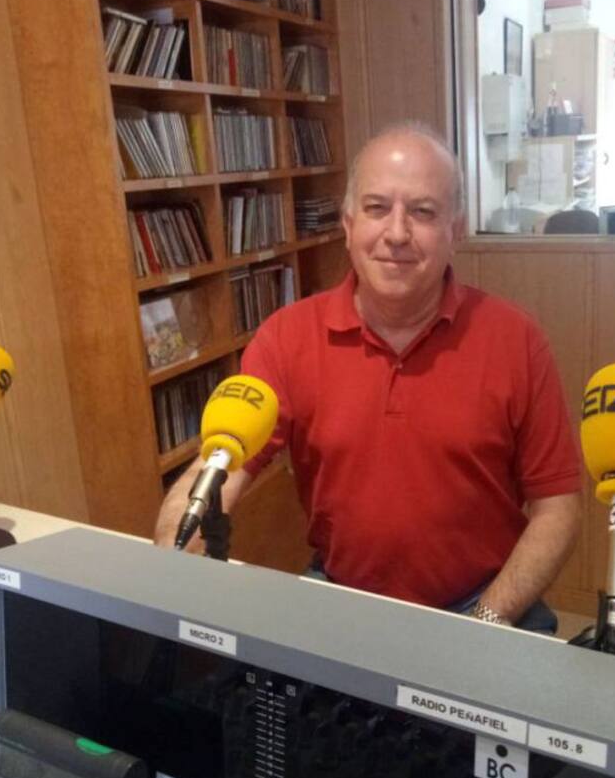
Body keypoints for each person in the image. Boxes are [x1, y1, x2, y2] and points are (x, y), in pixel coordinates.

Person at [155, 123, 583, 632]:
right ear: (348, 223)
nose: (396, 234)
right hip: (341, 593)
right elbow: (220, 468)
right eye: (377, 208)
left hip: (486, 600)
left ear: (456, 230)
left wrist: (487, 621)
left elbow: (557, 507)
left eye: (423, 212)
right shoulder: (286, 337)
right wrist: (176, 538)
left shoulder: (516, 339)